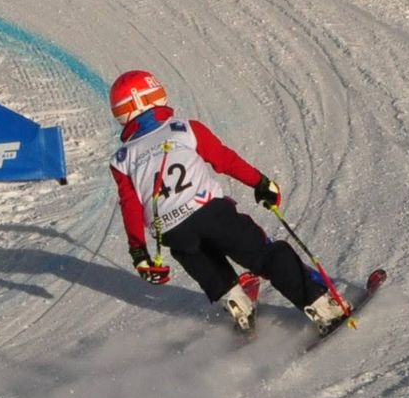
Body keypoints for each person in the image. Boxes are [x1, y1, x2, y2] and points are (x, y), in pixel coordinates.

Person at [107, 69, 350, 334]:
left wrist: (139, 253)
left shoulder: (122, 159)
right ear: (155, 96)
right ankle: (323, 307)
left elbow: (130, 206)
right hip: (211, 213)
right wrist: (260, 183)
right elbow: (224, 160)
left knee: (204, 263)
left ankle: (237, 304)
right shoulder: (184, 129)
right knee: (265, 254)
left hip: (171, 231)